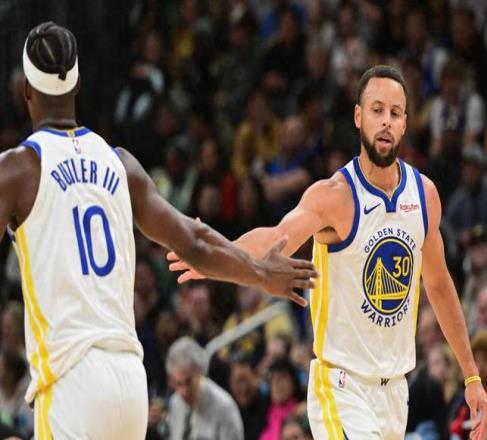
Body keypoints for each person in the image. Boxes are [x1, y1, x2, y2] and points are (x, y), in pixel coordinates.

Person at [0, 22, 317, 439]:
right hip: (130, 380)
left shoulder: (16, 170)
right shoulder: (120, 163)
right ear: (76, 84)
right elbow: (195, 242)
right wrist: (260, 271)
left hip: (71, 380)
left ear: (25, 89)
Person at [169, 65, 487, 439]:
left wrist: (471, 375)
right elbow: (275, 238)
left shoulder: (424, 195)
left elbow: (438, 285)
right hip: (341, 387)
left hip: (394, 390)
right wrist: (211, 256)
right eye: (376, 110)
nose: (385, 121)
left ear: (405, 123)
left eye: (395, 113)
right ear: (358, 116)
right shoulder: (336, 195)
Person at [166, 337, 244, 440]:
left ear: (200, 372)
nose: (184, 392)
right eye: (179, 384)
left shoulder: (224, 407)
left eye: (188, 382)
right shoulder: (176, 403)